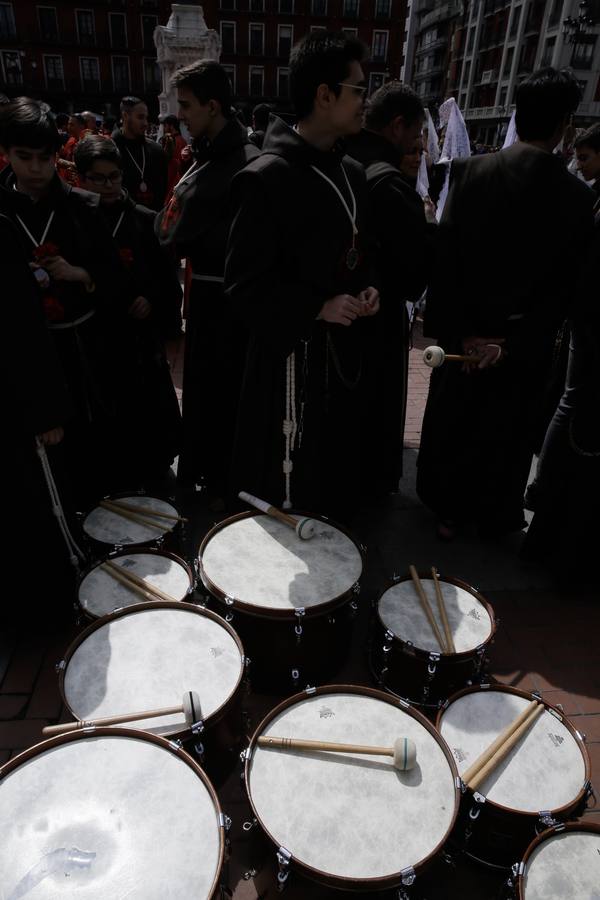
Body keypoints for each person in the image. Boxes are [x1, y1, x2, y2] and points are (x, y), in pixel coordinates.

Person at [416, 68, 595, 540]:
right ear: (564, 126)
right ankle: (494, 514)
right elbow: (563, 289)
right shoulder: (577, 198)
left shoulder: (471, 173)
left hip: (466, 333)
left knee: (457, 422)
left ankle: (448, 511)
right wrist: (512, 344)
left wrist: (462, 334)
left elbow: (447, 263)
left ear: (517, 112)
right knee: (508, 432)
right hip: (524, 339)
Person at [224, 31, 380, 520]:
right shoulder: (267, 177)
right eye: (358, 89)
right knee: (286, 492)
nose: (365, 102)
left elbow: (357, 252)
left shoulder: (353, 171)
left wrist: (367, 288)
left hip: (341, 360)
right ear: (324, 95)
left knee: (334, 488)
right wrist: (316, 306)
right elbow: (243, 284)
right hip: (287, 366)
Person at [0, 98, 140, 506]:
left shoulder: (82, 207)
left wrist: (83, 275)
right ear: (6, 153)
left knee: (97, 444)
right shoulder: (3, 217)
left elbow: (117, 280)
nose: (36, 169)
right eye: (24, 157)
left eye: (45, 158)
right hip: (31, 356)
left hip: (88, 347)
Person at [156, 60, 260, 503]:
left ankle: (222, 480)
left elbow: (181, 231)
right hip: (205, 299)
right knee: (201, 388)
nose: (181, 115)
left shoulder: (246, 162)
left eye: (186, 106)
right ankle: (202, 468)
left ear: (213, 106)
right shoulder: (207, 154)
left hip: (231, 303)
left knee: (225, 394)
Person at [75, 135, 182, 480]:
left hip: (141, 333)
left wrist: (151, 299)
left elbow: (167, 278)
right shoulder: (76, 219)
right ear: (81, 178)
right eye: (98, 178)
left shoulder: (144, 219)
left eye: (115, 177)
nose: (108, 185)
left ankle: (155, 463)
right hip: (100, 330)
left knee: (148, 404)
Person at [346, 82, 432, 495]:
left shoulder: (340, 162)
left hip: (338, 312)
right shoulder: (393, 185)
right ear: (398, 127)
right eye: (416, 136)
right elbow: (415, 278)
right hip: (379, 321)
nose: (417, 147)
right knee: (375, 409)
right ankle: (372, 483)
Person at [113, 96, 167, 211]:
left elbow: (163, 190)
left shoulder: (156, 150)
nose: (146, 123)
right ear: (125, 116)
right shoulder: (111, 149)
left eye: (146, 118)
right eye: (140, 117)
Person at [160, 114, 188, 198]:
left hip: (171, 181)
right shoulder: (183, 141)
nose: (164, 129)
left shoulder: (169, 140)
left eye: (165, 126)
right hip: (181, 183)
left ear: (171, 126)